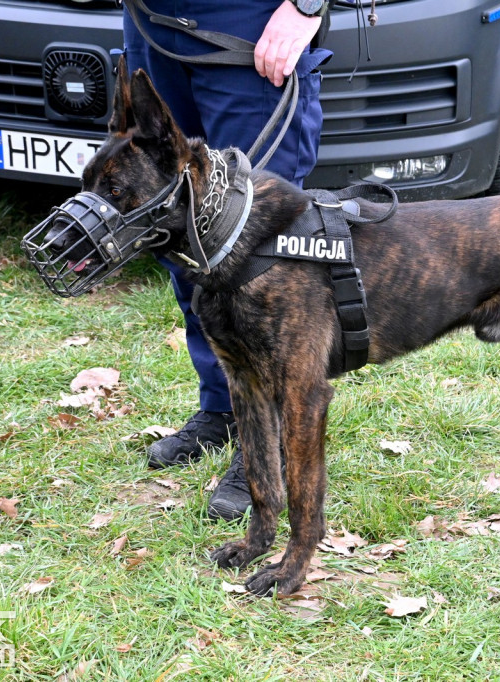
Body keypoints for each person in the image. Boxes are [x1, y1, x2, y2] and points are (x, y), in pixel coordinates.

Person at [122, 0, 331, 520]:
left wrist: (307, 7)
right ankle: (223, 405)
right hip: (153, 23)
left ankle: (272, 441)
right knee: (180, 226)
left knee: (257, 253)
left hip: (252, 26)